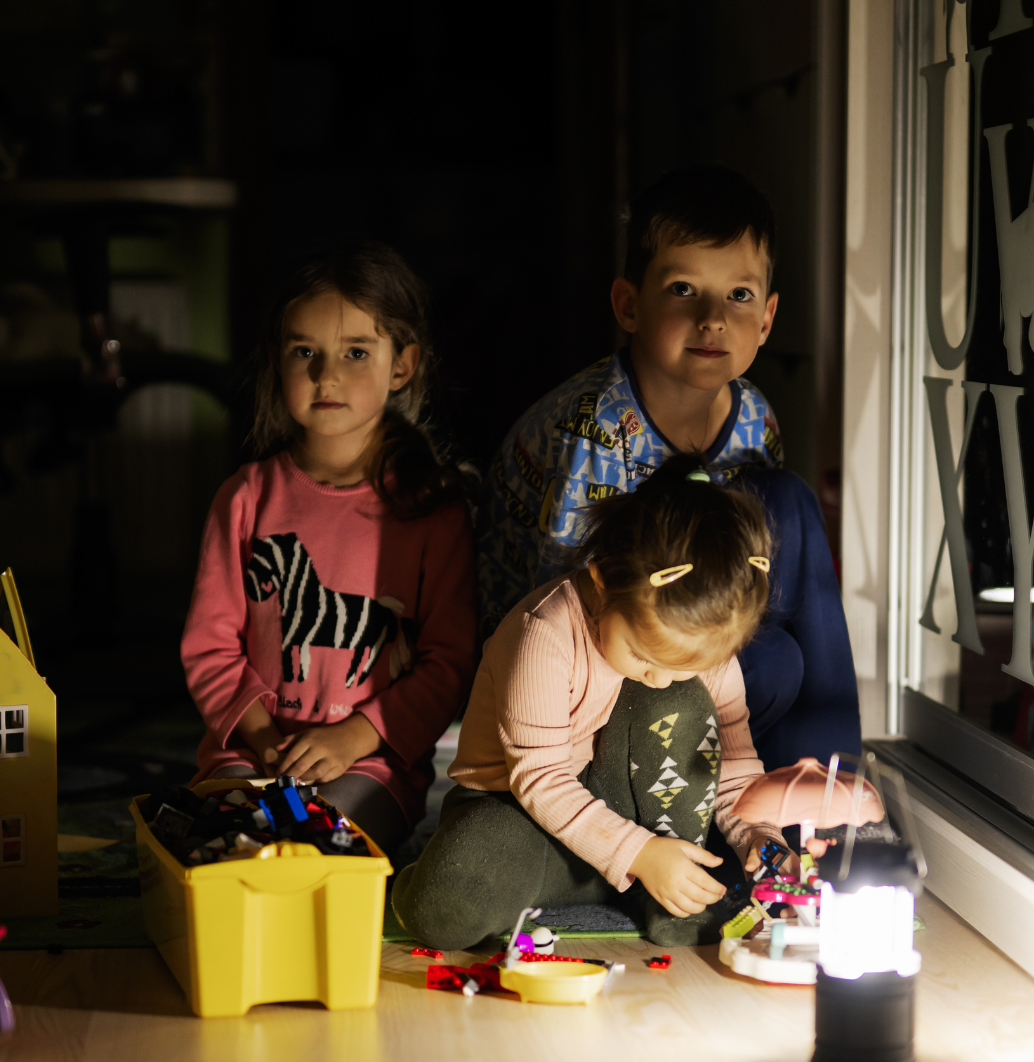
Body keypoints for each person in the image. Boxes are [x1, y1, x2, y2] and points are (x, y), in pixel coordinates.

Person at [475, 163, 860, 770]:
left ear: (766, 319)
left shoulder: (754, 416)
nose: (713, 317)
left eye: (739, 295)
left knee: (783, 543)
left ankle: (821, 785)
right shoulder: (596, 430)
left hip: (682, 636)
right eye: (683, 289)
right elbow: (562, 617)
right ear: (629, 306)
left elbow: (750, 579)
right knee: (765, 665)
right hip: (577, 678)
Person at [392, 457, 793, 951]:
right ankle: (636, 875)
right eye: (643, 656)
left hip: (629, 811)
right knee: (444, 908)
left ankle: (664, 889)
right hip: (517, 815)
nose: (661, 677)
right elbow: (539, 779)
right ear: (603, 581)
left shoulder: (702, 636)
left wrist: (759, 833)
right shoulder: (543, 634)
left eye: (685, 666)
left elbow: (731, 763)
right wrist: (639, 854)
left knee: (683, 704)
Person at [181, 242, 476, 857]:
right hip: (250, 752)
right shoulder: (244, 499)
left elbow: (448, 662)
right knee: (227, 839)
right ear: (277, 361)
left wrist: (354, 737)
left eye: (356, 352)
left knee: (326, 842)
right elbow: (210, 647)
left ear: (403, 366)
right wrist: (264, 742)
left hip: (371, 766)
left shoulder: (432, 509)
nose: (327, 375)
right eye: (305, 352)